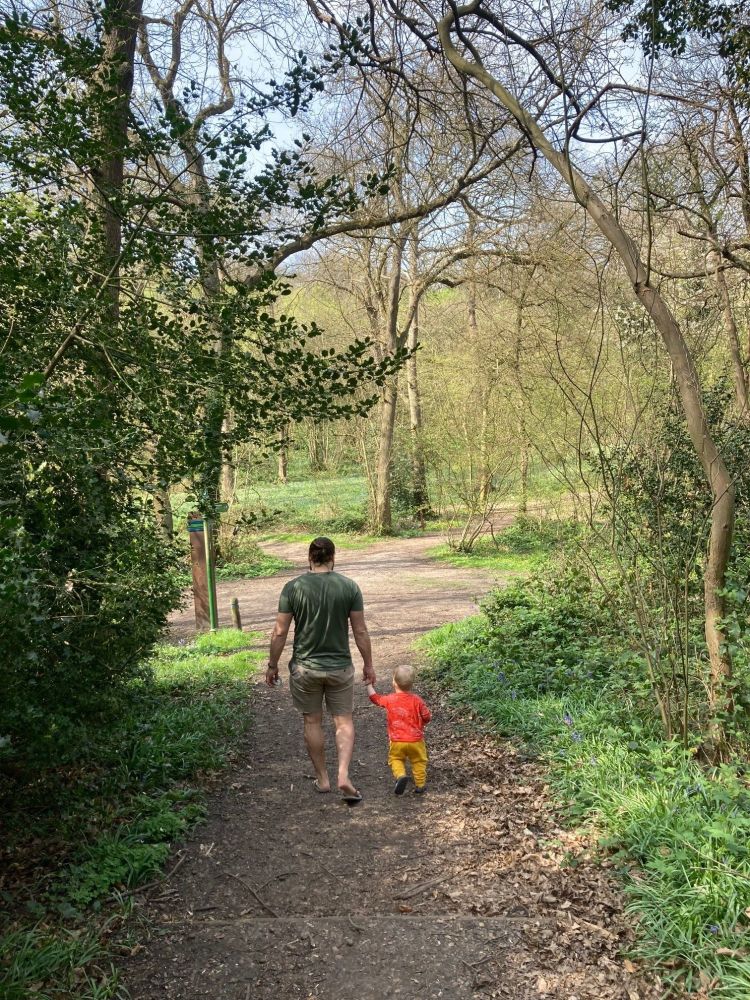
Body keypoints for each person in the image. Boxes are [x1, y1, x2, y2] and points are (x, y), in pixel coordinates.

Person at [266, 536, 375, 804]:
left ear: (309, 558)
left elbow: (280, 632)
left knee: (312, 721)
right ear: (333, 558)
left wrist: (272, 665)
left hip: (305, 669)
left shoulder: (293, 588)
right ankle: (343, 775)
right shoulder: (349, 587)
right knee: (344, 721)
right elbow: (360, 630)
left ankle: (323, 779)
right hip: (340, 667)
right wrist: (368, 664)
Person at [366, 665, 432, 795]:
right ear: (412, 684)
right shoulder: (417, 700)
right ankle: (420, 785)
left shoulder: (390, 699)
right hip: (416, 740)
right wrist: (422, 724)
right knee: (419, 761)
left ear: (394, 683)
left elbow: (375, 698)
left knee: (396, 759)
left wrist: (369, 685)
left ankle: (400, 775)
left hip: (397, 741)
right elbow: (427, 716)